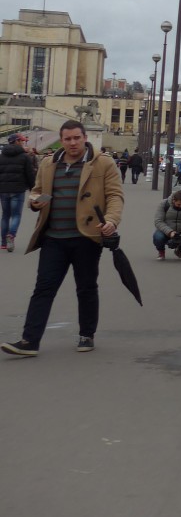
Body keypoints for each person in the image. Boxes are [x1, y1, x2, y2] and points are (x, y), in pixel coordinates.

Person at [2, 120, 123, 357]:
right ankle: (29, 341)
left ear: (84, 137)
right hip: (53, 237)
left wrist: (111, 220)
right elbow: (37, 190)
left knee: (86, 287)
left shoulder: (103, 163)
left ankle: (87, 334)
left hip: (86, 237)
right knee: (43, 288)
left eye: (77, 138)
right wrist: (34, 201)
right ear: (62, 140)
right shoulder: (49, 163)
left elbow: (115, 196)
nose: (72, 143)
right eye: (67, 139)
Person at [0, 133, 37, 253]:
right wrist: (33, 189)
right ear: (16, 141)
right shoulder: (24, 157)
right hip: (18, 189)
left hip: (4, 190)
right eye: (21, 141)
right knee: (16, 215)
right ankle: (11, 235)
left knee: (5, 215)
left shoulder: (1, 156)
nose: (23, 143)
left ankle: (3, 243)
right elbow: (30, 174)